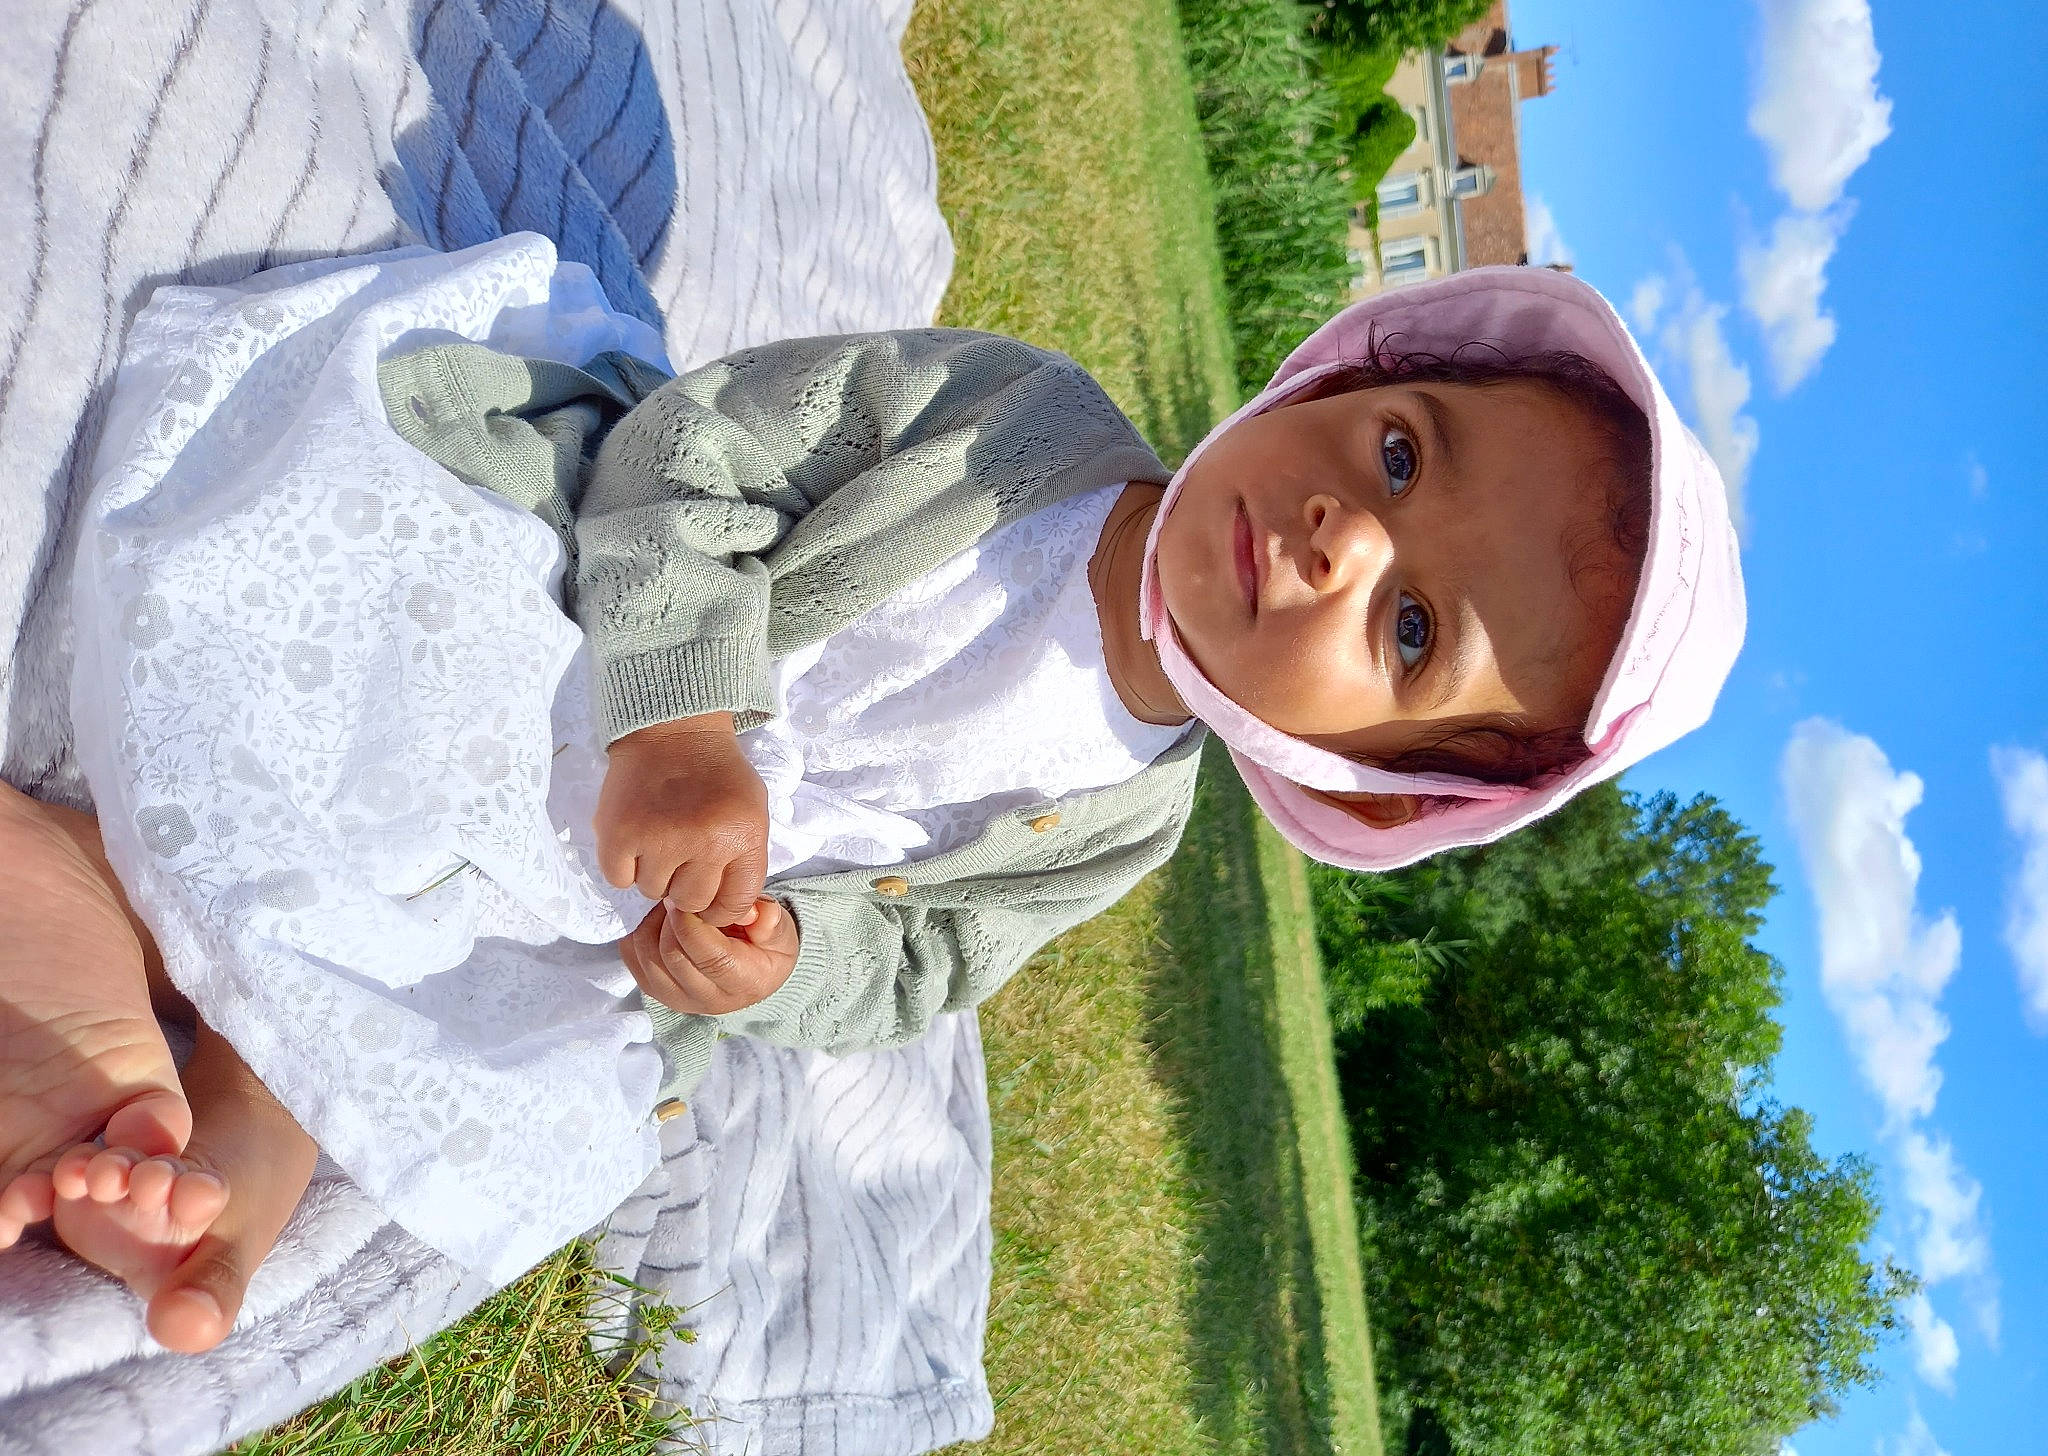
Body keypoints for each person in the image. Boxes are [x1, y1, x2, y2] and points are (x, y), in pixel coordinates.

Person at [0, 253, 1742, 1353]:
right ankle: (78, 879)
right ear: (1346, 380)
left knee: (486, 1038)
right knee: (393, 715)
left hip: (616, 889)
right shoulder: (1017, 424)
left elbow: (925, 967)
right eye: (1403, 453)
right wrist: (682, 710)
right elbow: (694, 450)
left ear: (1365, 775)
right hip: (584, 613)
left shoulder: (1129, 821)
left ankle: (214, 1151)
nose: (1347, 532)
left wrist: (779, 962)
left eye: (1412, 628)